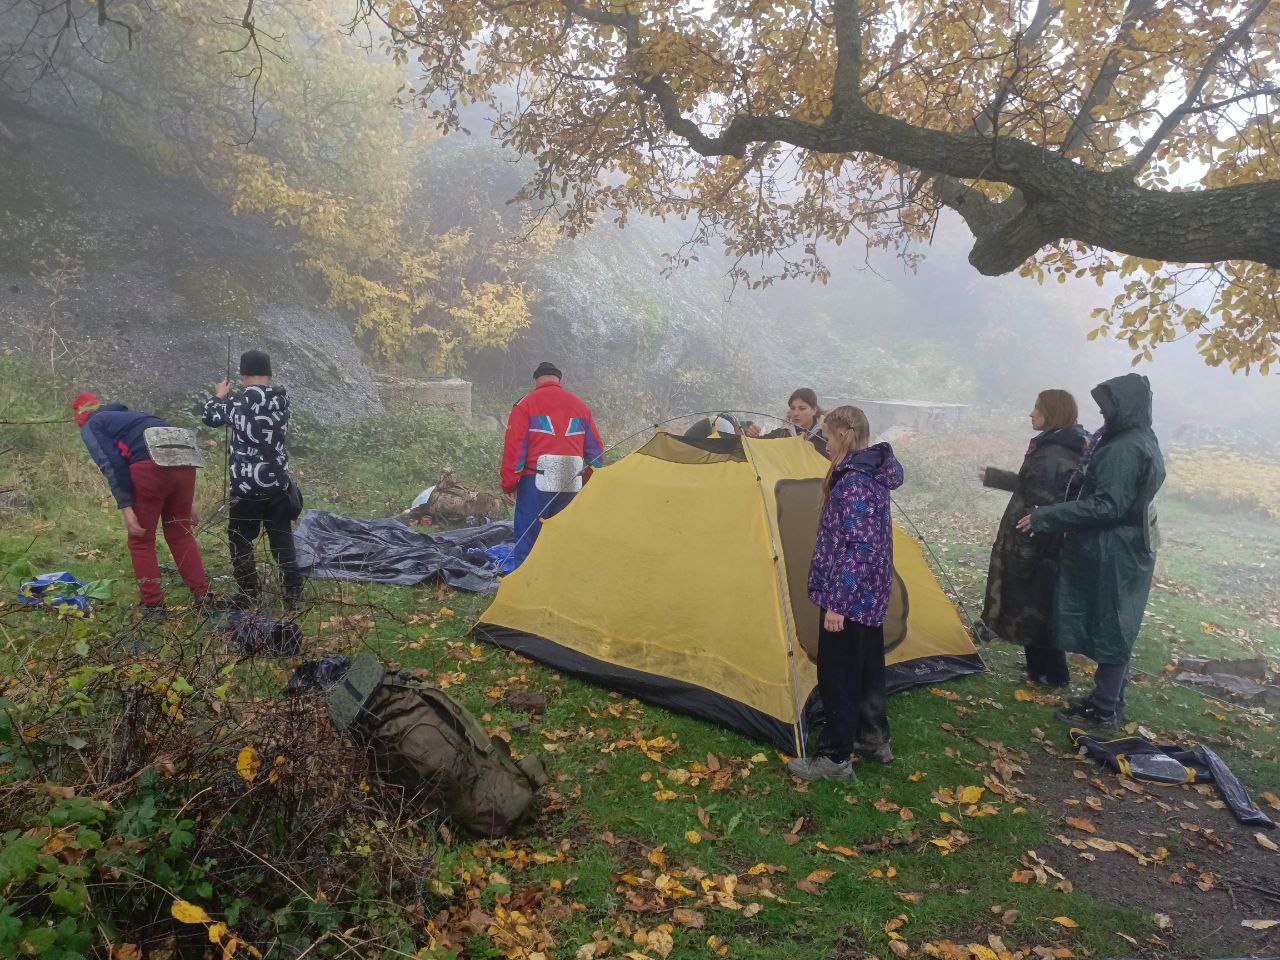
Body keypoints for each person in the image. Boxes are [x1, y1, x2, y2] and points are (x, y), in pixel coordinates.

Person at [1017, 374, 1165, 728]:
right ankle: (1110, 700)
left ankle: (1104, 708)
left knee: (1113, 624)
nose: (1102, 415)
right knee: (1117, 621)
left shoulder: (1124, 448)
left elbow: (1108, 505)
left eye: (1107, 408)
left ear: (1123, 408)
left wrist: (1048, 516)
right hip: (1127, 544)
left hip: (1114, 548)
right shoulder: (1139, 438)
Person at [787, 406, 903, 781]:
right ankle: (873, 738)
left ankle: (835, 758)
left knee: (838, 675)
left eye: (826, 434)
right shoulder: (871, 473)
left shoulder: (854, 482)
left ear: (842, 435)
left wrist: (837, 603)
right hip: (868, 594)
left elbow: (861, 547)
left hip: (850, 595)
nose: (823, 440)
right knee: (868, 668)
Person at [977, 390, 1088, 688]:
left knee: (1036, 608)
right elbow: (1032, 486)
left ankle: (1053, 676)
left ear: (1052, 412)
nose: (1032, 413)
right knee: (1033, 607)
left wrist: (1025, 548)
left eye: (1037, 408)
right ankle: (1039, 673)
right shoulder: (1057, 445)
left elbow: (1043, 500)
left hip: (1037, 542)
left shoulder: (1055, 453)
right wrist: (996, 477)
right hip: (1037, 538)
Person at [73, 392, 212, 616]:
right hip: (185, 465)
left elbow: (112, 465)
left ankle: (154, 606)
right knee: (181, 534)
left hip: (149, 469)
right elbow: (177, 455)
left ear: (81, 418)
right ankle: (204, 597)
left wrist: (127, 509)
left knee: (141, 539)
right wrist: (188, 501)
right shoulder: (137, 417)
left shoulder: (93, 424)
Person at [202, 350, 303, 609]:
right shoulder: (283, 400)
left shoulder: (238, 404)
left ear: (243, 374)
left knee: (240, 539)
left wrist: (219, 395)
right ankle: (293, 592)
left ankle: (248, 594)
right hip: (278, 483)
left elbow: (210, 417)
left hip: (247, 486)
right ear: (269, 373)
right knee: (282, 538)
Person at [500, 362, 604, 568]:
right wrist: (590, 482)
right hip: (571, 480)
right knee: (563, 534)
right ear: (559, 379)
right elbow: (596, 453)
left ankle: (525, 585)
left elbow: (515, 448)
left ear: (536, 380)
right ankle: (559, 583)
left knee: (528, 536)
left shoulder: (525, 405)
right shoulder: (581, 406)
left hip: (535, 480)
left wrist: (509, 484)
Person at [745, 388, 828, 457]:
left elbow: (835, 462)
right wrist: (751, 434)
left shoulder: (827, 435)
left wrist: (815, 453)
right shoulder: (781, 433)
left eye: (802, 408)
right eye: (792, 408)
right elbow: (756, 447)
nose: (795, 413)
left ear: (814, 410)